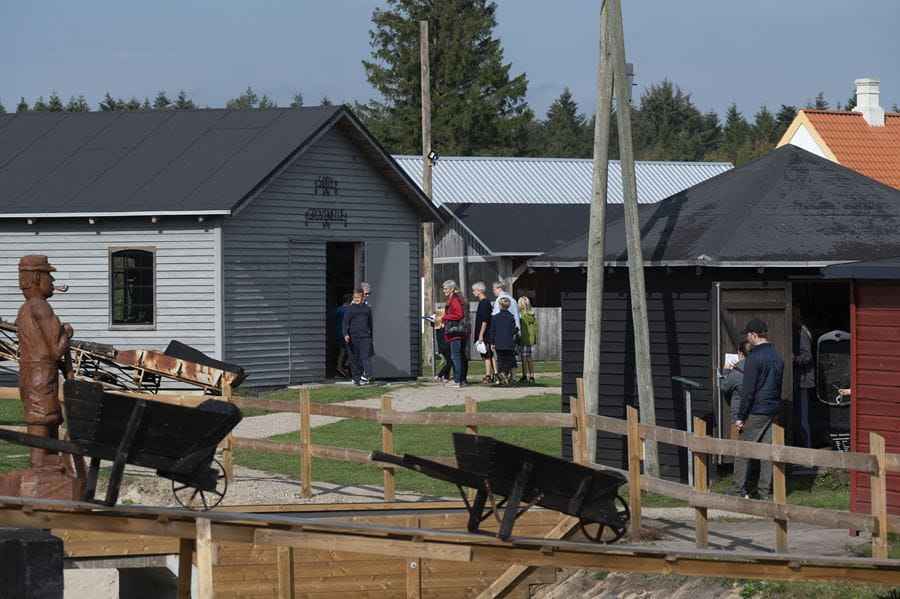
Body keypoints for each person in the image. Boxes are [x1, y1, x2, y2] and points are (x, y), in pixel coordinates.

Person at [15, 255, 75, 469]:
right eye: (49, 276)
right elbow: (56, 350)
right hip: (42, 371)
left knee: (42, 412)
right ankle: (40, 460)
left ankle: (46, 457)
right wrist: (66, 333)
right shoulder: (42, 307)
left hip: (29, 371)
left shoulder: (24, 309)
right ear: (37, 277)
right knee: (43, 412)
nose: (53, 282)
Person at [730, 319, 784, 501]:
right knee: (766, 454)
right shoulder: (777, 356)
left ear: (754, 334)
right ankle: (764, 493)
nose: (747, 338)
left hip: (756, 411)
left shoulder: (753, 358)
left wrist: (741, 416)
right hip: (772, 410)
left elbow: (749, 390)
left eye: (748, 334)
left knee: (742, 452)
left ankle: (738, 491)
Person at [720, 339, 752, 498]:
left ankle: (740, 489)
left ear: (740, 354)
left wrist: (726, 372)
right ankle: (750, 486)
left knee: (740, 453)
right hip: (753, 415)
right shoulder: (756, 367)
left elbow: (724, 387)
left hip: (738, 416)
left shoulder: (738, 370)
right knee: (751, 453)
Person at [792, 308, 815, 448]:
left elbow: (808, 357)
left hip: (802, 380)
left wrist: (795, 359)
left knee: (802, 417)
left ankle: (806, 449)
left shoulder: (801, 333)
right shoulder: (797, 332)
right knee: (798, 416)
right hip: (798, 379)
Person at [342, 288, 374, 385]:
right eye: (355, 297)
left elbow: (370, 323)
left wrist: (370, 336)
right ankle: (356, 379)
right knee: (354, 358)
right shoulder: (350, 309)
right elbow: (345, 323)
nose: (356, 299)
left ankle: (368, 375)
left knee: (365, 357)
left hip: (365, 337)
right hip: (352, 337)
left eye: (358, 297)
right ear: (353, 297)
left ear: (362, 297)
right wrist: (345, 334)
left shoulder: (367, 309)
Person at [441, 280, 469, 388]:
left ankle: (457, 380)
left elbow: (458, 314)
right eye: (443, 289)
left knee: (455, 356)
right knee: (461, 356)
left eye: (446, 289)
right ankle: (462, 379)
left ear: (452, 289)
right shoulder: (460, 297)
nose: (444, 291)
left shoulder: (454, 299)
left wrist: (445, 317)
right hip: (462, 331)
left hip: (455, 331)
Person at [489, 297, 519, 385]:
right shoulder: (511, 317)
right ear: (509, 306)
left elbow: (492, 331)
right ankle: (504, 373)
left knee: (501, 361)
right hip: (508, 343)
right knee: (511, 360)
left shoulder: (495, 318)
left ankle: (501, 378)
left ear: (499, 305)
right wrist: (517, 329)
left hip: (498, 342)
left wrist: (492, 342)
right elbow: (512, 331)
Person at [471, 282, 496, 384]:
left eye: (474, 290)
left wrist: (481, 335)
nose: (473, 292)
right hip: (484, 333)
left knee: (487, 355)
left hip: (485, 333)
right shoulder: (482, 302)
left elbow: (485, 320)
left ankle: (489, 374)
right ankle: (493, 374)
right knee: (487, 354)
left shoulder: (485, 303)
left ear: (480, 290)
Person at [516, 296, 538, 384]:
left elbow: (519, 328)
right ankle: (532, 376)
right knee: (529, 358)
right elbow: (535, 328)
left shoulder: (521, 316)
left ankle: (524, 375)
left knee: (523, 358)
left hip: (523, 339)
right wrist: (535, 338)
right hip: (530, 339)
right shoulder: (532, 315)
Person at [333, 293, 352, 378]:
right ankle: (344, 367)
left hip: (339, 333)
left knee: (343, 352)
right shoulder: (347, 310)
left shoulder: (338, 310)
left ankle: (339, 369)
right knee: (353, 352)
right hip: (346, 334)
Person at [433, 306, 453, 382]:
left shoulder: (437, 322)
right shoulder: (442, 323)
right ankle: (439, 375)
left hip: (442, 346)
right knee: (450, 362)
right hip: (445, 345)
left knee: (448, 361)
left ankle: (446, 377)